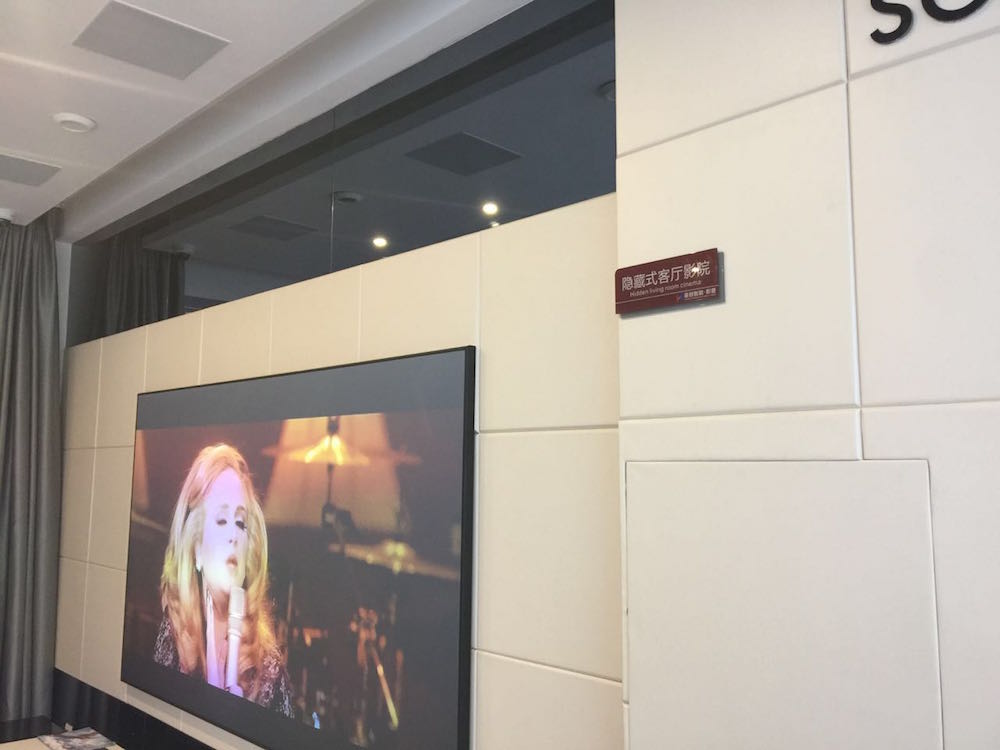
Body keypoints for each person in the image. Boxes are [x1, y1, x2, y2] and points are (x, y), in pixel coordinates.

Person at [154, 443, 293, 717]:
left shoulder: (269, 669)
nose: (234, 536)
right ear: (196, 549)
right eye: (221, 521)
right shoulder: (173, 635)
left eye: (241, 523)